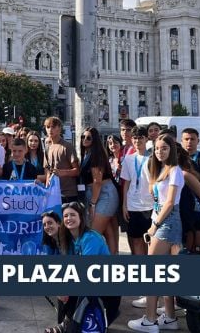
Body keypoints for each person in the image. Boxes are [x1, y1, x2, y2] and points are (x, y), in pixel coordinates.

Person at [127, 133, 184, 332]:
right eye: (157, 148)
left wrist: (155, 226)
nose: (160, 152)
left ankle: (150, 320)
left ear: (172, 150)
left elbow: (169, 202)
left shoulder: (175, 170)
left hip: (166, 224)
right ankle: (169, 317)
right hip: (163, 222)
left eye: (164, 148)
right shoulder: (162, 170)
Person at [44, 201, 110, 333]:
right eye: (66, 216)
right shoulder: (69, 240)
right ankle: (64, 324)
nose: (69, 219)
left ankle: (70, 326)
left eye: (72, 215)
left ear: (81, 217)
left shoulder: (90, 238)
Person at [79, 127, 119, 254]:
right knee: (107, 231)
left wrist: (92, 204)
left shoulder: (96, 154)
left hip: (104, 194)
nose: (85, 139)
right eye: (83, 137)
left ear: (94, 140)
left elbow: (97, 181)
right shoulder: (87, 153)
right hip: (94, 193)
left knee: (92, 233)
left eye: (88, 137)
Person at [121, 126, 153, 257]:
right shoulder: (128, 159)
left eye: (140, 138)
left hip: (150, 205)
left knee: (150, 240)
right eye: (134, 138)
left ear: (146, 139)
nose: (137, 141)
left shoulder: (153, 158)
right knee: (136, 240)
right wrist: (124, 205)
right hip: (133, 205)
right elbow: (126, 183)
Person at [43, 116, 80, 204]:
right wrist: (47, 189)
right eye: (48, 127)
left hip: (68, 194)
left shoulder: (67, 146)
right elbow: (48, 171)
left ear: (59, 128)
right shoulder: (47, 147)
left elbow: (77, 171)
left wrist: (62, 172)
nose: (50, 130)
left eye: (53, 127)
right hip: (53, 193)